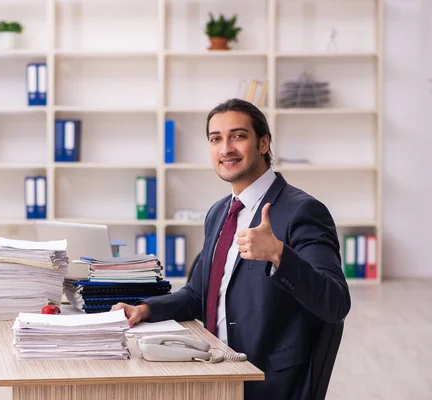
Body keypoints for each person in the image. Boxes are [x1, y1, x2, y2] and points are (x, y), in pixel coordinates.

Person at [111, 98, 351, 399]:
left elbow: (336, 302)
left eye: (238, 136)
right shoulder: (220, 212)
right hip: (215, 369)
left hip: (267, 382)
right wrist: (144, 309)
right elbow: (199, 295)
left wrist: (279, 254)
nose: (226, 149)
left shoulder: (302, 211)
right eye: (216, 139)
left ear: (264, 143)